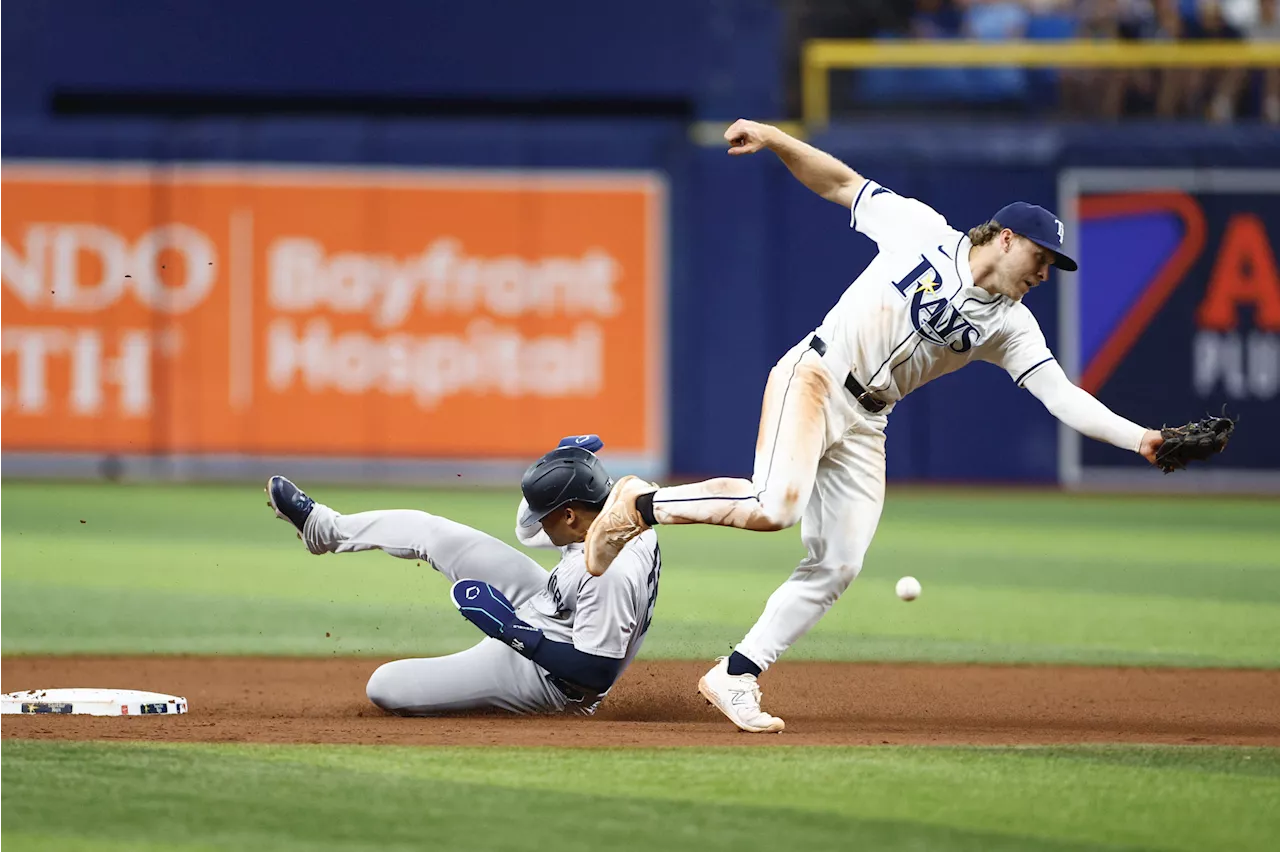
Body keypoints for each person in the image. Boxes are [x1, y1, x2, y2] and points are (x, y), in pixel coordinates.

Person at [584, 119, 1166, 734]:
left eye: (1051, 266)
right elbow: (840, 183)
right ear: (1005, 238)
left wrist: (1141, 439)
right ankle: (638, 505)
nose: (1044, 273)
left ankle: (737, 673)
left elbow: (1062, 397)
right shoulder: (922, 232)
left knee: (838, 562)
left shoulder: (1011, 325)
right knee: (775, 506)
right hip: (817, 375)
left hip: (868, 421)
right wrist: (778, 140)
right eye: (1041, 258)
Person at [265, 435, 661, 716]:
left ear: (570, 514)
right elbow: (529, 529)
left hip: (552, 679)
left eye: (548, 515)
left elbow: (594, 674)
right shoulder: (614, 510)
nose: (539, 523)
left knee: (385, 686)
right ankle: (324, 527)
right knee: (431, 532)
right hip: (555, 607)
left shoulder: (609, 572)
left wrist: (510, 630)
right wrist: (565, 464)